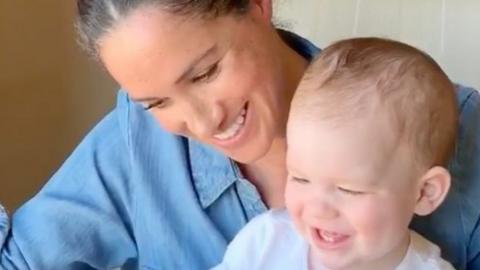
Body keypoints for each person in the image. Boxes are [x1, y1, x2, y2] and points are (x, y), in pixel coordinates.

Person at [0, 0, 478, 269]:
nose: (203, 123)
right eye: (157, 102)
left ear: (257, 6)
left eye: (206, 73)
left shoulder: (460, 127)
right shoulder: (136, 139)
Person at [212, 37, 457, 270]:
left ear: (425, 193)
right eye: (300, 178)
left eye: (349, 190)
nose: (318, 210)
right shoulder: (265, 243)